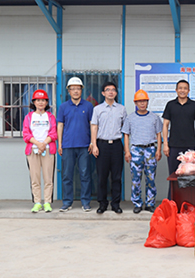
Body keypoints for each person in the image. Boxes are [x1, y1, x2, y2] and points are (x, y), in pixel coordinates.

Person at [57, 77, 94, 213]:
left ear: (82, 90)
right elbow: (60, 125)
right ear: (69, 91)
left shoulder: (88, 106)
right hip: (67, 145)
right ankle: (67, 202)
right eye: (73, 88)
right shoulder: (63, 107)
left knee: (85, 175)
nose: (76, 91)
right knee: (67, 175)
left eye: (78, 88)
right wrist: (60, 144)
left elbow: (92, 125)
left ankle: (85, 202)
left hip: (84, 145)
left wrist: (92, 142)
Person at [123, 89, 163, 214]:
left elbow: (159, 134)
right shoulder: (130, 118)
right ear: (135, 103)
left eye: (144, 101)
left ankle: (150, 203)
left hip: (150, 149)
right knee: (136, 179)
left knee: (150, 178)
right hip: (136, 150)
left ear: (147, 102)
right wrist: (127, 151)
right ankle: (137, 203)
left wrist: (158, 150)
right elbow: (126, 135)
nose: (142, 103)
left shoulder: (154, 118)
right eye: (139, 101)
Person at [91, 82, 127, 215]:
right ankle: (102, 203)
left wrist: (126, 148)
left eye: (113, 90)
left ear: (116, 93)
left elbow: (125, 128)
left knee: (116, 177)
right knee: (102, 176)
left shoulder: (121, 109)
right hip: (102, 145)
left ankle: (116, 204)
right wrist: (94, 145)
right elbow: (94, 127)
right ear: (103, 93)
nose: (111, 92)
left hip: (117, 145)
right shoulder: (97, 109)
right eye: (108, 90)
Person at [22, 89, 57, 213]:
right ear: (34, 102)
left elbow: (54, 133)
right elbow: (26, 134)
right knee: (35, 178)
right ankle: (37, 202)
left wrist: (44, 144)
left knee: (48, 178)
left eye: (43, 100)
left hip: (48, 150)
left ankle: (47, 202)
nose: (41, 103)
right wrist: (38, 144)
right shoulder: (29, 117)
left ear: (47, 102)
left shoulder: (51, 117)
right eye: (38, 100)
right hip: (33, 150)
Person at [162, 80, 195, 181]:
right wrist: (166, 144)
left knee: (191, 175)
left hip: (191, 146)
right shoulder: (170, 105)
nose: (182, 90)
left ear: (188, 90)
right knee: (173, 175)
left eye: (185, 88)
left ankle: (189, 193)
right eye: (180, 88)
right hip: (173, 146)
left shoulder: (194, 105)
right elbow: (165, 125)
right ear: (176, 90)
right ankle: (172, 192)